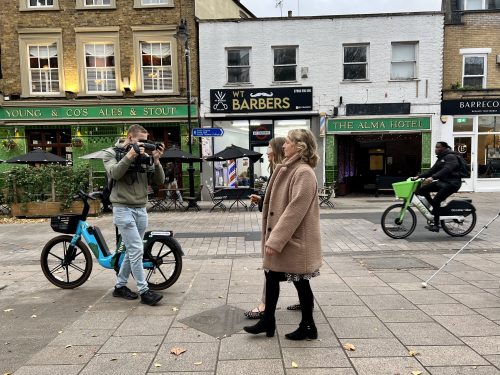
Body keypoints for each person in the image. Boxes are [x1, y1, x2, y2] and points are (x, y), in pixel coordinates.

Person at [244, 129, 322, 340]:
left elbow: (295, 209)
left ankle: (308, 326)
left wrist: (275, 239)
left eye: (287, 142)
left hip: (295, 242)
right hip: (289, 240)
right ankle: (268, 320)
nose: (283, 146)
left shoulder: (303, 172)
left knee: (301, 282)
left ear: (299, 146)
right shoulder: (290, 168)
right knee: (272, 275)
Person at [103, 124, 165, 306]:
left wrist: (156, 160)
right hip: (122, 208)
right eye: (141, 141)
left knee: (132, 251)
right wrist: (130, 155)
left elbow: (159, 181)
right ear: (130, 138)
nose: (144, 145)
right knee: (137, 248)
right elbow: (114, 173)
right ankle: (144, 291)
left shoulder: (144, 156)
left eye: (147, 142)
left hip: (140, 208)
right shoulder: (111, 153)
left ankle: (120, 286)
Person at [244, 137, 286, 319]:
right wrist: (262, 200)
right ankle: (306, 301)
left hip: (279, 227)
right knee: (293, 270)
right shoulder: (275, 171)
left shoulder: (283, 171)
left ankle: (264, 306)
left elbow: (284, 203)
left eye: (269, 148)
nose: (267, 152)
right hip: (275, 225)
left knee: (272, 268)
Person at [414, 141, 462, 232]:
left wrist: (433, 177)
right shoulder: (441, 158)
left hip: (452, 183)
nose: (435, 149)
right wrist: (419, 176)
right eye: (435, 147)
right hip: (443, 182)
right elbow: (432, 170)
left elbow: (447, 169)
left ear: (443, 148)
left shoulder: (451, 157)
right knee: (422, 190)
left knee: (436, 200)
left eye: (437, 147)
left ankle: (436, 225)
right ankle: (436, 209)